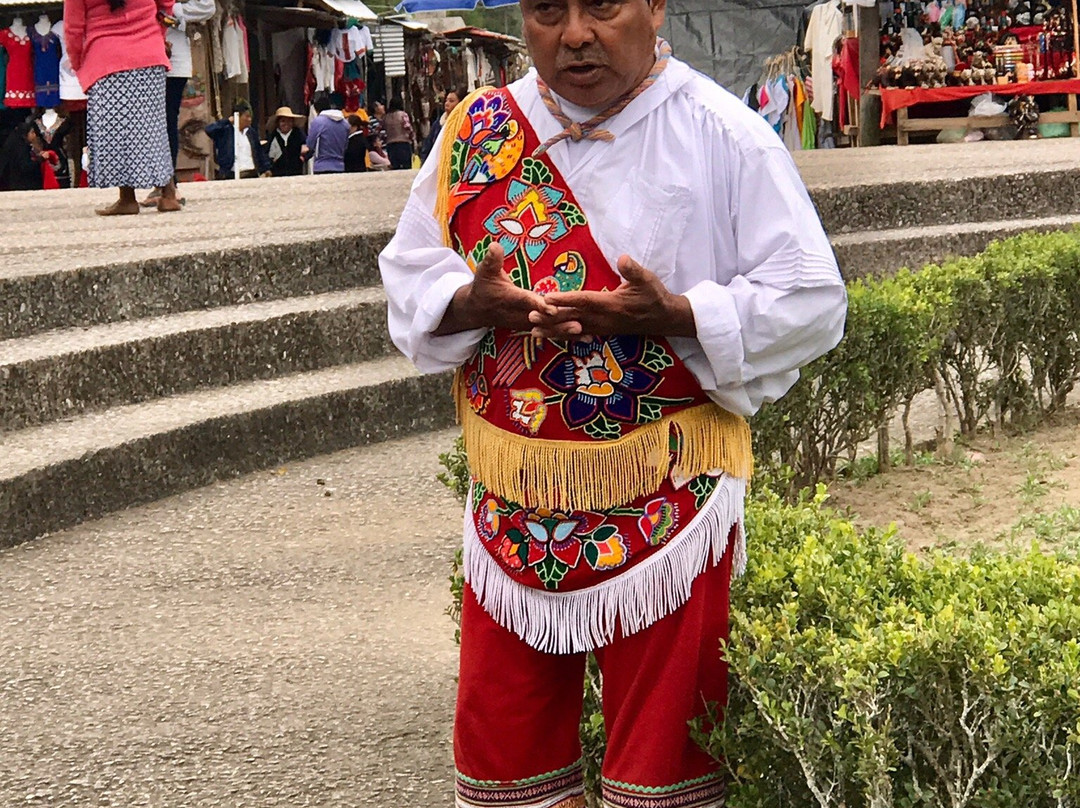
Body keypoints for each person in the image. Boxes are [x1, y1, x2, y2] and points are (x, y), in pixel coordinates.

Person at [378, 1, 847, 806]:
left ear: (656, 6)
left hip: (670, 505)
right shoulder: (477, 129)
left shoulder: (722, 132)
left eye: (603, 5)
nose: (575, 34)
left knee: (664, 772)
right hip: (510, 513)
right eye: (547, 11)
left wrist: (678, 316)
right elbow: (412, 268)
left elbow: (811, 299)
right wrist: (468, 303)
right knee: (506, 767)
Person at [62, 0, 182, 214]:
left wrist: (79, 62)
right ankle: (168, 194)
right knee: (153, 126)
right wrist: (158, 35)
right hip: (148, 53)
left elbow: (73, 29)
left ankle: (127, 198)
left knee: (118, 133)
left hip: (105, 59)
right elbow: (166, 5)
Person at [141, 0, 215, 206]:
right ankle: (158, 182)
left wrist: (170, 10)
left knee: (165, 120)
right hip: (142, 54)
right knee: (149, 122)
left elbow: (207, 7)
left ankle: (168, 183)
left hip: (173, 60)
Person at [204, 100, 271, 180]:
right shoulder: (226, 131)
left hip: (251, 173)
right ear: (238, 116)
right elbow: (209, 130)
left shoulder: (251, 133)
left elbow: (259, 151)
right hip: (231, 175)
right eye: (247, 116)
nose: (249, 119)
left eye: (250, 117)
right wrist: (227, 121)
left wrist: (266, 168)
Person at [306, 93, 349, 174]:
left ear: (317, 110)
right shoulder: (345, 124)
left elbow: (310, 144)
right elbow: (345, 146)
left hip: (322, 166)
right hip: (340, 166)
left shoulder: (318, 121)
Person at [419, 89, 461, 164]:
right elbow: (428, 146)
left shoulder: (463, 123)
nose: (447, 103)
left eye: (451, 101)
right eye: (446, 100)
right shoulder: (438, 123)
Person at [265, 106, 306, 177]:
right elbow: (267, 153)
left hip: (296, 172)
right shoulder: (273, 135)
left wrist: (303, 156)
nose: (286, 124)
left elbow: (307, 148)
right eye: (283, 121)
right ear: (278, 123)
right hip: (277, 173)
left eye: (289, 121)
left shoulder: (298, 134)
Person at [382, 96, 413, 170]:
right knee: (406, 167)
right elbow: (408, 127)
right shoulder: (403, 114)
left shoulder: (386, 117)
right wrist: (412, 137)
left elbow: (382, 130)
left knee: (395, 167)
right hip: (403, 143)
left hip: (390, 144)